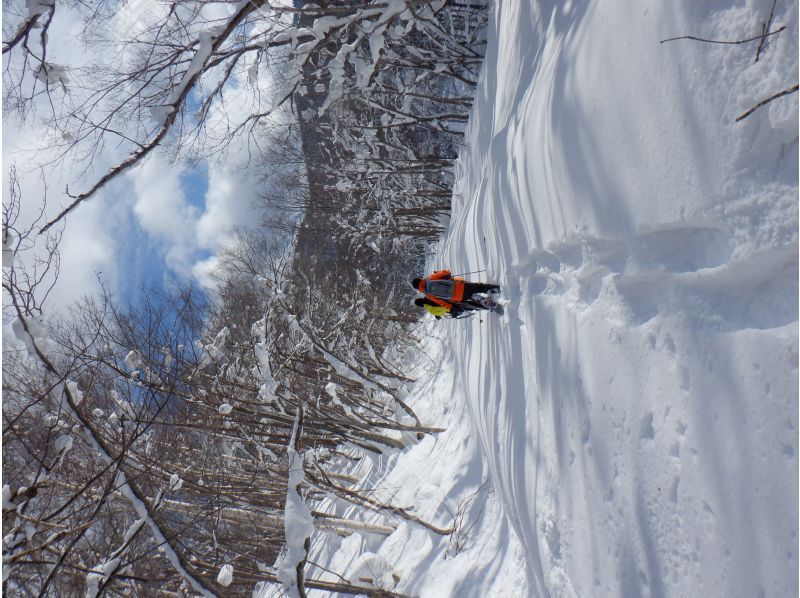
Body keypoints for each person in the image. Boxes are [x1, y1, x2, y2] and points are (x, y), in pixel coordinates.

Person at [411, 269, 500, 310]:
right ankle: (496, 289)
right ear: (420, 279)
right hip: (460, 285)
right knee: (480, 287)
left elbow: (442, 302)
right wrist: (438, 273)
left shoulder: (428, 295)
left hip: (457, 297)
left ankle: (485, 302)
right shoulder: (430, 278)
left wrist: (450, 307)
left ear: (418, 288)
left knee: (472, 296)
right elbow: (447, 272)